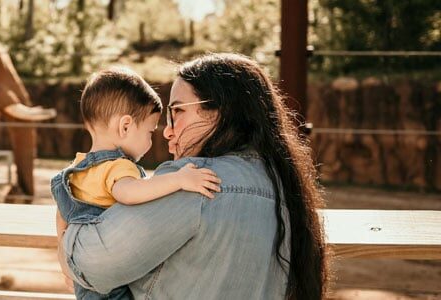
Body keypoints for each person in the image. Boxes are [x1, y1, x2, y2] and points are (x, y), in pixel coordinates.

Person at [58, 53, 329, 299]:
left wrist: (67, 224)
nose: (167, 131)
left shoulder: (195, 182)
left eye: (177, 111)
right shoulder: (282, 186)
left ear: (218, 112)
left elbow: (89, 261)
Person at [51, 66, 221, 300]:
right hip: (112, 286)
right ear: (126, 126)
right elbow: (129, 193)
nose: (152, 140)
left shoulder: (77, 170)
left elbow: (62, 214)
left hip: (86, 283)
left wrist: (64, 256)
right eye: (150, 132)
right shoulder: (119, 166)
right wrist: (180, 179)